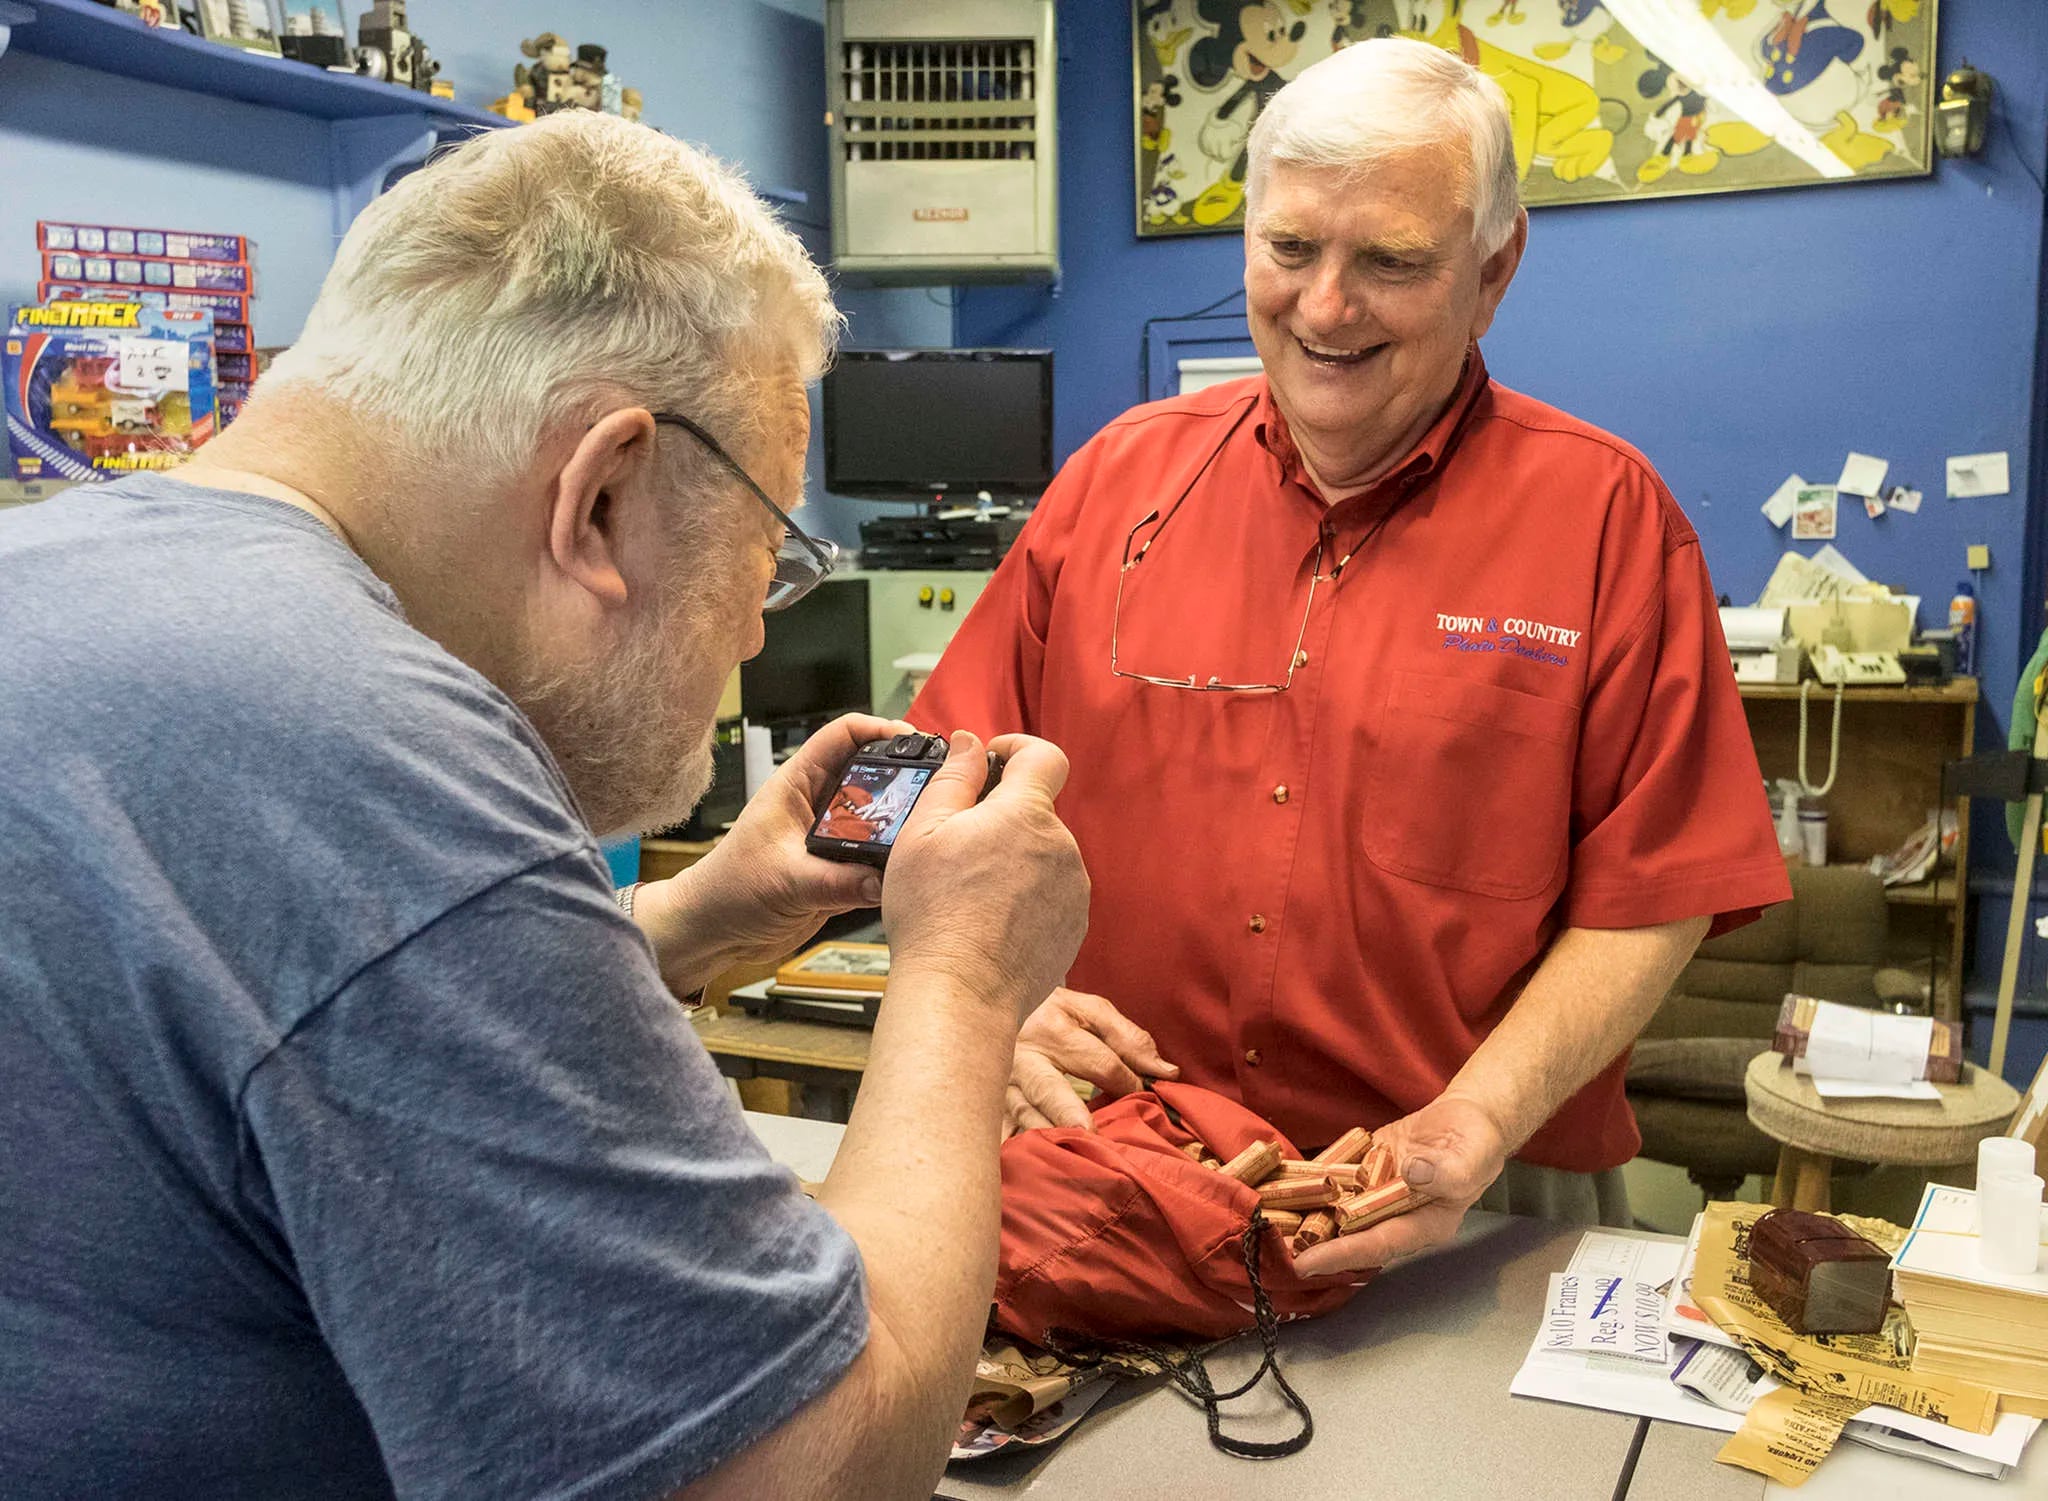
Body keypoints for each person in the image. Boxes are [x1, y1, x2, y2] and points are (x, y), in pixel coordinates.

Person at [0, 113, 1091, 1499]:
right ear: (603, 496)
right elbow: (810, 1470)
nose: (756, 638)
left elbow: (311, 1021)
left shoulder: (56, 567)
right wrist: (965, 980)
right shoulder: (370, 741)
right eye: (768, 559)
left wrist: (688, 917)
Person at [912, 39, 1789, 1275]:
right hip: (1104, 1171)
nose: (1326, 306)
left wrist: (1473, 1123)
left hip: (1465, 1202)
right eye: (1288, 250)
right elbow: (934, 789)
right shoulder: (1112, 484)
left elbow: (1659, 895)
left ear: (1493, 271)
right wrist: (993, 1004)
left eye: (1388, 261)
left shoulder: (1607, 523)